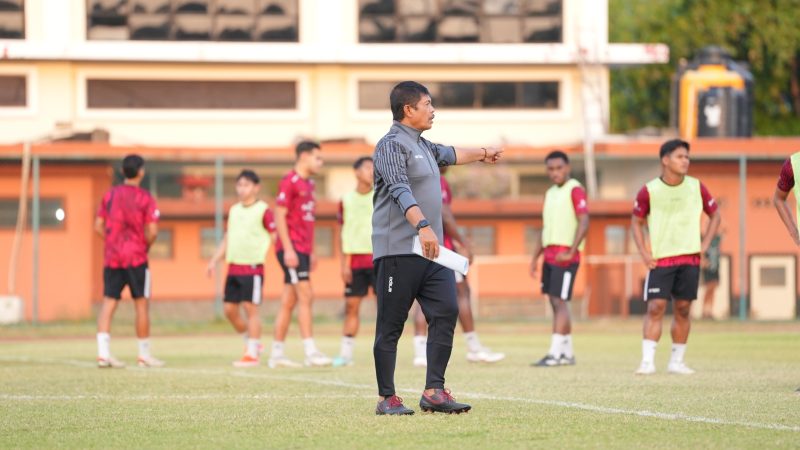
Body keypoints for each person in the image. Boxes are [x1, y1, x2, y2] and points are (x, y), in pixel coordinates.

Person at [372, 81, 503, 415]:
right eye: (427, 104)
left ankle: (434, 391)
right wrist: (424, 226)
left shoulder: (425, 146)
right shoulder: (389, 146)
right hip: (398, 251)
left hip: (431, 253)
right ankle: (387, 398)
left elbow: (453, 154)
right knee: (391, 325)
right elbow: (400, 190)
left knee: (446, 311)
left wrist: (484, 154)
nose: (433, 110)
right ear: (408, 110)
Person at [631, 139, 721, 375]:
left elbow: (715, 215)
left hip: (689, 260)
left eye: (687, 157)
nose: (685, 161)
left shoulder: (696, 187)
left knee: (683, 309)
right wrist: (644, 252)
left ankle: (676, 361)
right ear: (665, 160)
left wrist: (705, 244)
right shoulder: (649, 190)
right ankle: (647, 361)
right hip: (661, 260)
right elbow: (636, 222)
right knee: (655, 307)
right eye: (680, 156)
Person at [411, 167, 505, 367]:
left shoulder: (416, 180)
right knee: (462, 292)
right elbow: (444, 214)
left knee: (422, 297)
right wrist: (464, 243)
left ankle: (420, 352)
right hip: (441, 248)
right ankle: (474, 348)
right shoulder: (437, 180)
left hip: (419, 246)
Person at [94, 154, 164, 369]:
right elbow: (152, 230)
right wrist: (144, 246)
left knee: (109, 303)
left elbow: (98, 226)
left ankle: (103, 355)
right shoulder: (145, 198)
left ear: (123, 172)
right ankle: (144, 356)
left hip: (113, 257)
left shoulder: (110, 195)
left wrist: (112, 242)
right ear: (141, 172)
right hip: (136, 257)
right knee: (141, 304)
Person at [268, 141, 331, 368]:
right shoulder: (289, 182)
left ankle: (276, 354)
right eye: (317, 157)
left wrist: (311, 250)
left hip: (303, 250)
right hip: (291, 249)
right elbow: (279, 216)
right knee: (306, 294)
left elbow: (308, 222)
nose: (320, 162)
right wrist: (289, 249)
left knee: (289, 300)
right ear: (304, 156)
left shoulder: (310, 185)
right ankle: (310, 351)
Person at [206, 170, 276, 367]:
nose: (242, 188)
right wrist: (214, 260)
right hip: (234, 267)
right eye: (239, 185)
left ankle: (252, 353)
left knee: (250, 308)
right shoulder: (235, 210)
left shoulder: (263, 210)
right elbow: (228, 238)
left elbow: (274, 236)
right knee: (229, 310)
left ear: (256, 187)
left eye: (246, 185)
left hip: (253, 267)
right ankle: (252, 342)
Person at [529, 151, 589, 367]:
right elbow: (545, 227)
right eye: (551, 169)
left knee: (560, 301)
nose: (555, 173)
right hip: (550, 255)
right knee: (555, 302)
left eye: (559, 168)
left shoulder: (575, 189)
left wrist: (572, 251)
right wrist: (535, 258)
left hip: (566, 255)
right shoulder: (550, 193)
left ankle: (555, 354)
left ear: (567, 168)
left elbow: (584, 221)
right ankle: (567, 353)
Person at [332, 156, 375, 368]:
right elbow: (340, 231)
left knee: (386, 309)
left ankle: (386, 352)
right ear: (357, 172)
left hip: (379, 259)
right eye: (368, 167)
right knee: (351, 306)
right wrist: (343, 264)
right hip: (355, 261)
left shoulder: (381, 196)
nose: (372, 171)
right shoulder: (346, 200)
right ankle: (346, 354)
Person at [700, 231, 722, 320]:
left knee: (713, 289)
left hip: (715, 267)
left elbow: (725, 229)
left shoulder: (716, 239)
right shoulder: (703, 238)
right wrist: (703, 260)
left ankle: (710, 311)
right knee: (708, 289)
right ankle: (704, 311)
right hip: (708, 268)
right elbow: (700, 251)